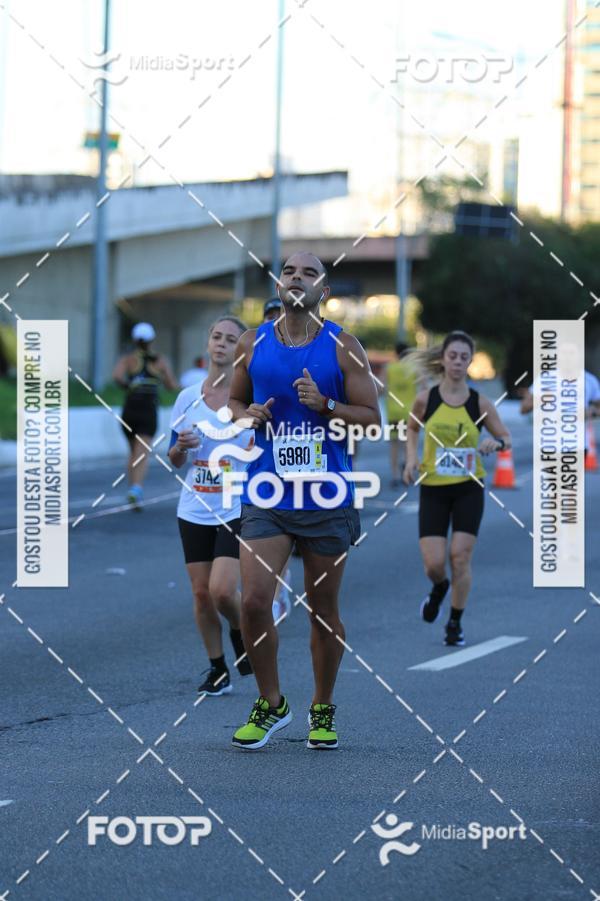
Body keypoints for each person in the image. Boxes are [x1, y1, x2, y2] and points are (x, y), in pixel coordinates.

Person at [228, 251, 381, 750]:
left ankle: (322, 706)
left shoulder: (344, 346)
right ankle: (272, 703)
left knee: (323, 611)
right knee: (253, 602)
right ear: (279, 285)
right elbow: (233, 402)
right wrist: (246, 413)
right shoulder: (253, 342)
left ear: (324, 291)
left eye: (309, 273)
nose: (298, 278)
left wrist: (327, 404)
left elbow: (373, 418)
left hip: (326, 495)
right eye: (290, 272)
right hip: (266, 491)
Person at [403, 331, 511, 647]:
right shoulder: (427, 399)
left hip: (468, 488)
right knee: (434, 564)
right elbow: (411, 427)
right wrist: (411, 459)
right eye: (453, 356)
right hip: (434, 488)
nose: (458, 362)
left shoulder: (480, 403)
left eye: (464, 357)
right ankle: (439, 587)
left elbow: (505, 437)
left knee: (460, 556)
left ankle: (454, 622)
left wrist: (495, 443)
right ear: (443, 359)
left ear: (470, 362)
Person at [168, 316, 254, 695]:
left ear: (242, 350)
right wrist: (179, 447)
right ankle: (218, 669)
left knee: (221, 590)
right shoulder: (187, 397)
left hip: (236, 504)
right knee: (201, 594)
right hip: (194, 506)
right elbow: (174, 459)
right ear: (208, 343)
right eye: (216, 336)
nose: (221, 343)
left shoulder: (250, 399)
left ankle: (239, 631)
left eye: (230, 339)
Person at [113, 322, 178, 509]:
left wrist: (129, 385)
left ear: (134, 340)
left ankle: (133, 489)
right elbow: (171, 385)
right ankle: (136, 489)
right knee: (142, 452)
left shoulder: (128, 359)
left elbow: (117, 376)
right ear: (152, 340)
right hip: (148, 411)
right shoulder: (160, 361)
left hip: (129, 410)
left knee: (133, 451)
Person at [261, 297, 294, 620]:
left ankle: (278, 589)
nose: (275, 320)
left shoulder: (306, 351)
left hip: (293, 451)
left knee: (282, 523)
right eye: (269, 316)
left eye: (279, 315)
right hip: (256, 454)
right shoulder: (253, 352)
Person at [385, 341, 418, 487]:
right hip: (410, 411)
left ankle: (395, 475)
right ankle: (407, 470)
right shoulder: (414, 368)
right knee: (407, 442)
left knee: (394, 444)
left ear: (396, 353)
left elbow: (381, 387)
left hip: (393, 412)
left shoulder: (389, 368)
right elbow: (424, 387)